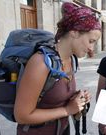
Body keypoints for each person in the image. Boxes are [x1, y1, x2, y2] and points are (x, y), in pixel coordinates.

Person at [14, 2, 101, 135]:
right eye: (91, 41)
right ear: (74, 32)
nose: (91, 49)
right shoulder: (41, 63)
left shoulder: (71, 60)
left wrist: (76, 99)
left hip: (63, 129)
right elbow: (21, 115)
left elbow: (55, 96)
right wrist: (67, 110)